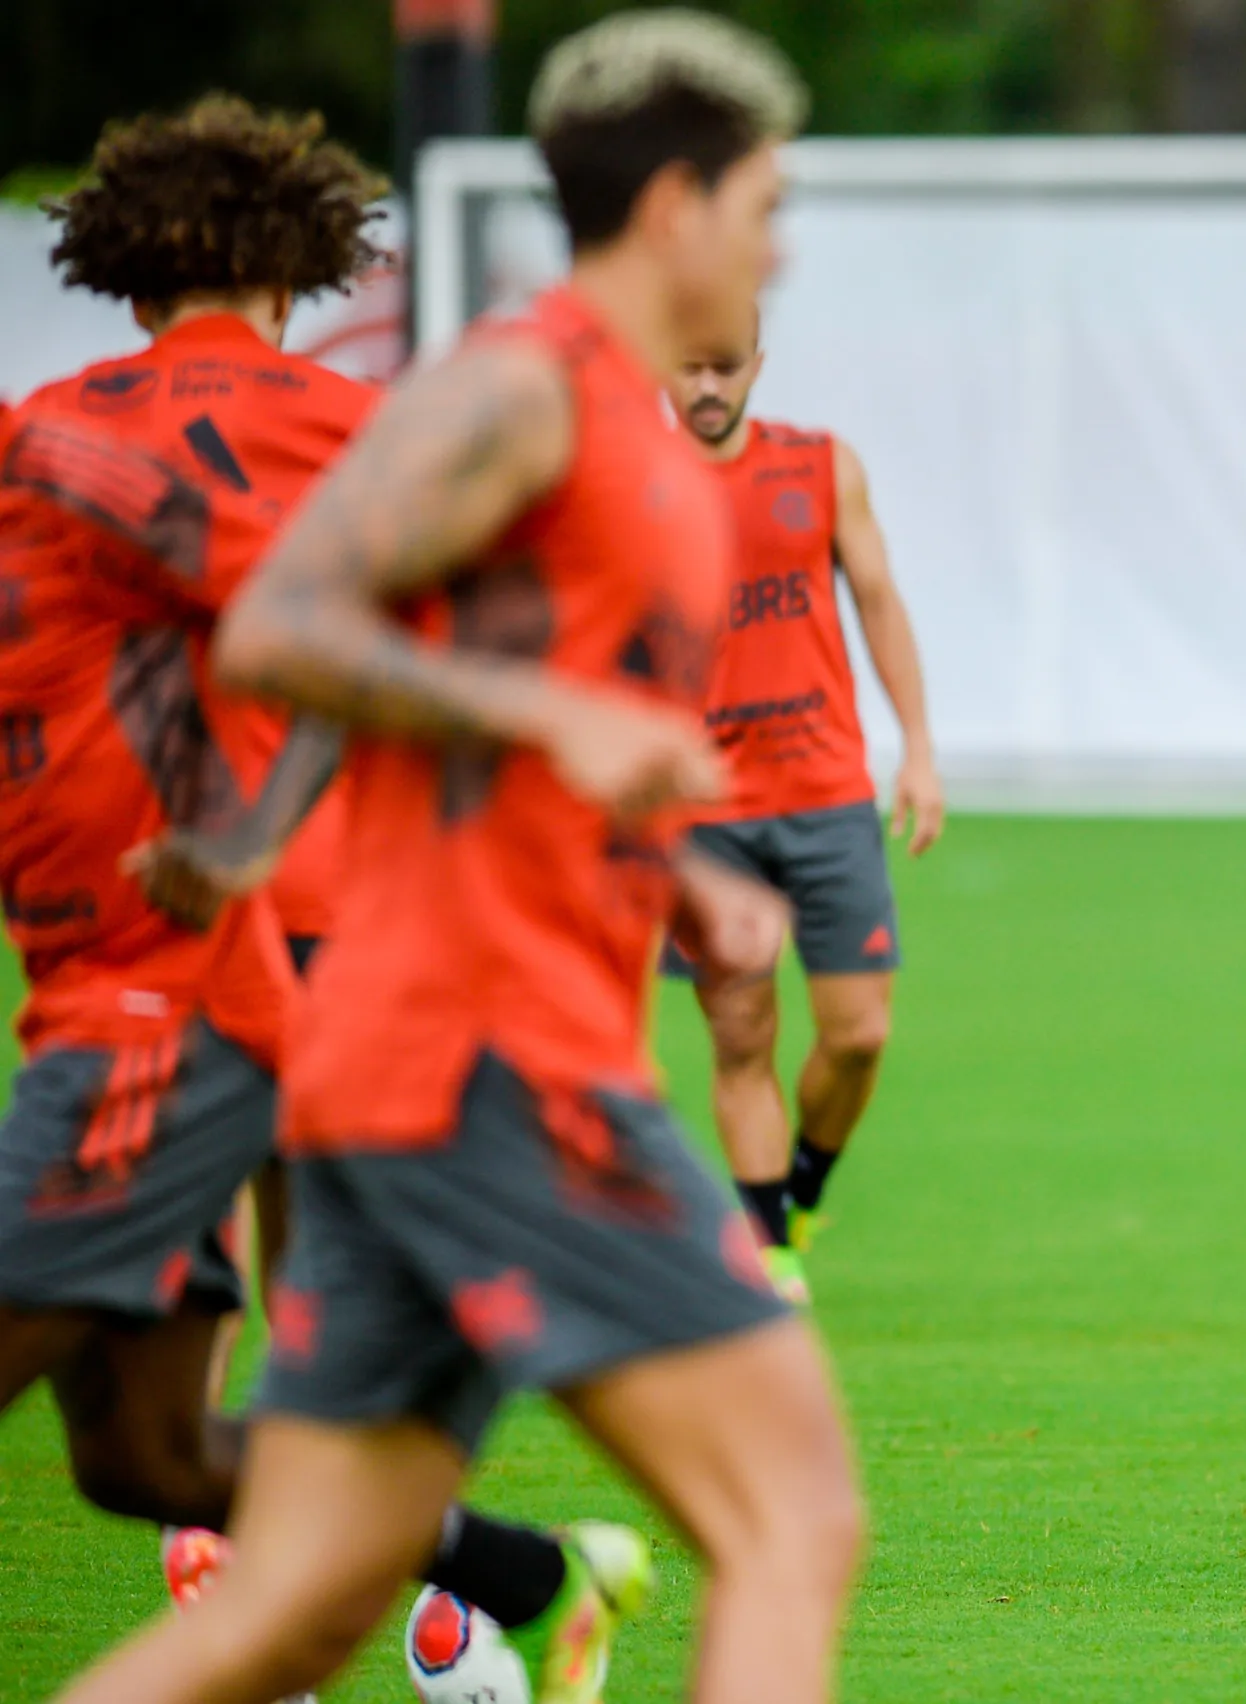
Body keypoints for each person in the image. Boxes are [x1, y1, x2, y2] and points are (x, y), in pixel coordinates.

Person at [48, 16, 864, 1703]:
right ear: (677, 203)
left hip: (402, 1063)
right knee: (796, 1512)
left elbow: (407, 677)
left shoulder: (630, 431)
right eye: (767, 201)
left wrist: (661, 850)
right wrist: (552, 724)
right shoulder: (517, 382)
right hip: (490, 1052)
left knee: (294, 1602)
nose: (782, 244)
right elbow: (284, 621)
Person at [0, 96, 643, 1697]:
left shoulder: (52, 436)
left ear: (125, 277)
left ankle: (405, 1625)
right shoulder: (360, 429)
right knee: (147, 1454)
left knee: (308, 1357)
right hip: (335, 948)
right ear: (294, 275)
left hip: (177, 981)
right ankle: (510, 1580)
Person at [664, 316, 943, 1304]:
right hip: (702, 815)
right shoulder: (631, 481)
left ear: (757, 367)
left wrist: (916, 747)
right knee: (740, 1034)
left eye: (723, 366)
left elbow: (876, 596)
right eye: (689, 364)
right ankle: (767, 1251)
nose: (706, 385)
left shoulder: (823, 466)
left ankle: (802, 1187)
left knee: (859, 1032)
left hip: (825, 793)